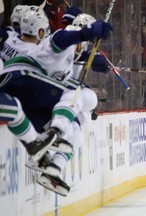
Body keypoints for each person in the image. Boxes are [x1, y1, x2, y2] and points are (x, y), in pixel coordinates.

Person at [1, 10, 113, 196]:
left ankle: (50, 165)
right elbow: (62, 40)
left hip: (29, 95)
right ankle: (55, 132)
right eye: (85, 43)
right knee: (83, 95)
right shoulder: (61, 38)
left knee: (76, 130)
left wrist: (90, 59)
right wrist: (86, 33)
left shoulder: (71, 59)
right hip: (21, 77)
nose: (84, 48)